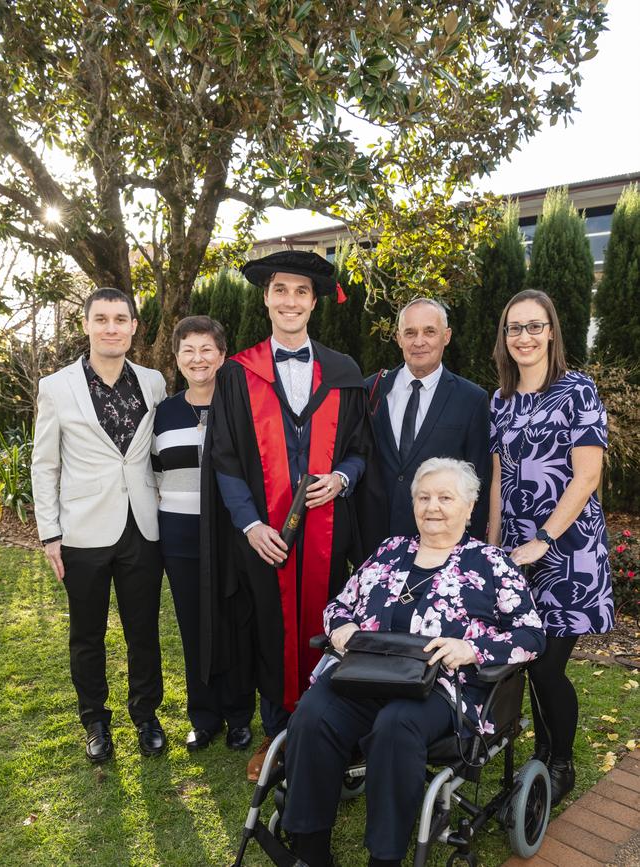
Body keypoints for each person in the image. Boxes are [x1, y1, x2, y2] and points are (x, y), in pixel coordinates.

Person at [282, 457, 545, 867]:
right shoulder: (390, 551)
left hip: (441, 687)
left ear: (469, 505)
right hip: (366, 675)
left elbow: (531, 634)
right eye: (423, 497)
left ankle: (384, 857)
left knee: (395, 725)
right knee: (312, 714)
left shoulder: (492, 563)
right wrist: (341, 629)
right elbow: (340, 605)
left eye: (445, 497)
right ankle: (310, 849)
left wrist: (471, 649)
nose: (432, 507)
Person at [210, 250, 386, 781]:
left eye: (301, 292)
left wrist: (342, 479)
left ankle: (331, 727)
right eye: (280, 290)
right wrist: (250, 525)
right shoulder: (238, 374)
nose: (290, 301)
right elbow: (224, 459)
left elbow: (360, 451)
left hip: (327, 537)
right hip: (267, 538)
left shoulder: (344, 372)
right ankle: (275, 733)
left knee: (329, 628)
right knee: (270, 632)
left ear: (314, 302)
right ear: (266, 298)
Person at [489, 288, 614, 807]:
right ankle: (541, 757)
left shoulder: (577, 390)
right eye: (515, 328)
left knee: (546, 665)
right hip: (517, 552)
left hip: (569, 552)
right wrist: (490, 550)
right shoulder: (500, 398)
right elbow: (498, 480)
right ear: (505, 337)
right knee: (525, 657)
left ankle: (558, 762)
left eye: (534, 326)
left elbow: (586, 477)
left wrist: (544, 539)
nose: (524, 337)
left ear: (552, 331)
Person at [31, 287, 167, 763]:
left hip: (142, 527)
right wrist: (50, 532)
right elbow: (44, 465)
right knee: (87, 634)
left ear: (133, 327)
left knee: (143, 629)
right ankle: (95, 721)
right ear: (86, 325)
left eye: (120, 319)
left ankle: (146, 715)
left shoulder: (153, 382)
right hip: (82, 530)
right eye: (102, 319)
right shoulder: (56, 386)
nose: (111, 327)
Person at [152, 316, 255, 753]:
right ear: (177, 359)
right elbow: (154, 473)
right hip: (181, 536)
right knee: (194, 628)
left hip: (233, 535)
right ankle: (204, 716)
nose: (198, 358)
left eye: (206, 349)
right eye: (188, 350)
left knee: (234, 623)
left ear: (222, 354)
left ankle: (238, 715)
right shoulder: (164, 413)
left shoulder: (241, 405)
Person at [367, 298, 491, 539]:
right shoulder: (371, 391)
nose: (419, 341)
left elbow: (479, 484)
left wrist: (467, 551)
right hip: (376, 542)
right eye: (410, 332)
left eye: (429, 332)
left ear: (446, 336)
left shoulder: (472, 400)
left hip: (441, 544)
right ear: (399, 338)